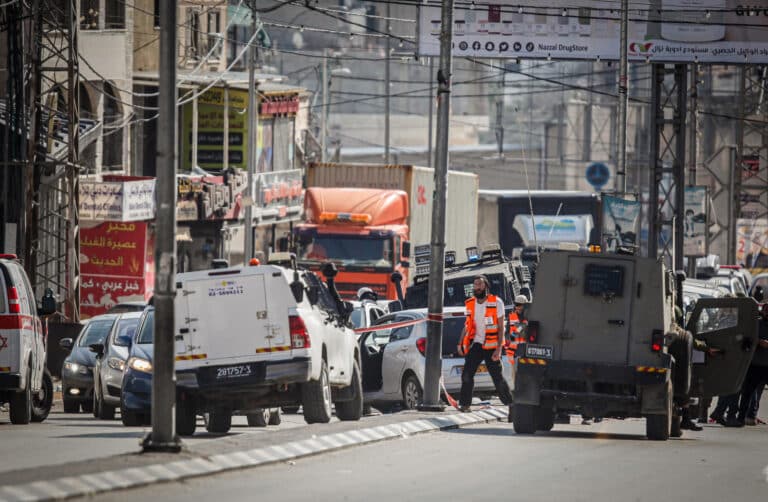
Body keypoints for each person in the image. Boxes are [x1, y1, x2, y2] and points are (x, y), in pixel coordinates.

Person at [457, 275, 513, 414]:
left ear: (486, 287)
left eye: (480, 284)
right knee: (466, 375)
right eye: (475, 284)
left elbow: (501, 327)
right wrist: (460, 343)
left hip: (492, 346)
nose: (477, 287)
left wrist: (499, 349)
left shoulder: (496, 302)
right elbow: (467, 325)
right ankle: (465, 405)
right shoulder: (470, 303)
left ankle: (511, 404)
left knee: (497, 378)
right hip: (477, 344)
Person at [731, 296, 768, 427]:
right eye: (766, 310)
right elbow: (746, 339)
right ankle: (741, 418)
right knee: (747, 393)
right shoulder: (756, 324)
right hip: (755, 364)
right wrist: (758, 341)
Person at [505, 295, 529, 364]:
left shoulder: (529, 317)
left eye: (519, 305)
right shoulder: (511, 316)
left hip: (525, 352)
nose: (517, 307)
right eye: (516, 305)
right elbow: (507, 334)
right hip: (514, 353)